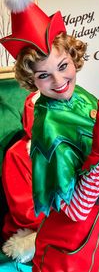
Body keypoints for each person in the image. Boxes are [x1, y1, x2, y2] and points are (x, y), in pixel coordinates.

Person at [0, 0, 99, 272]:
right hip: (71, 248)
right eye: (44, 76)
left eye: (63, 67)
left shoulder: (80, 96)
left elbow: (98, 132)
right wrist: (97, 159)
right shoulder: (48, 126)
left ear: (74, 59)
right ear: (31, 81)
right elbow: (74, 210)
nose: (59, 81)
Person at [1, 91, 45, 264]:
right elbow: (25, 212)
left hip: (72, 219)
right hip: (30, 229)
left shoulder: (71, 148)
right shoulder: (17, 154)